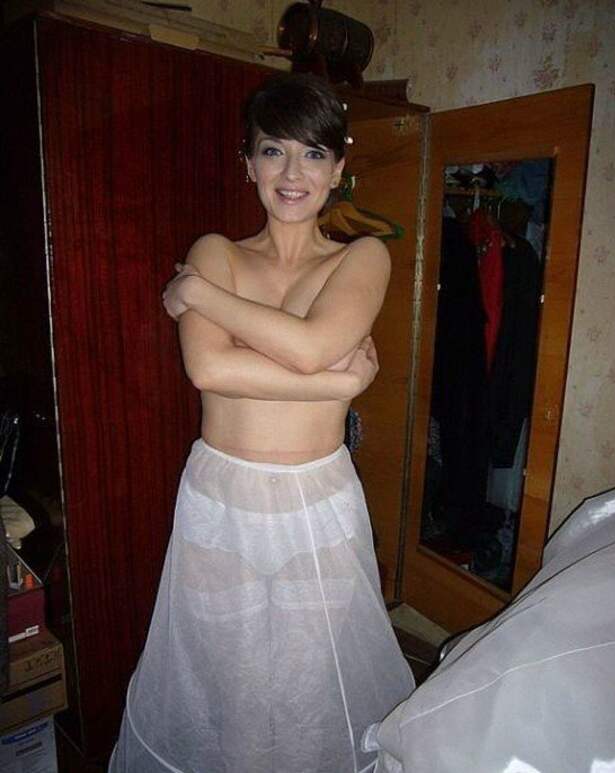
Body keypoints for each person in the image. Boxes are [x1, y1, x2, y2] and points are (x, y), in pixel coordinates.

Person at [109, 73, 414, 773]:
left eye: (313, 154)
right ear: (248, 164)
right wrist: (337, 382)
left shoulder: (363, 256)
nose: (292, 173)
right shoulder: (216, 251)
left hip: (318, 502)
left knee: (310, 693)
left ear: (338, 168)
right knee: (233, 692)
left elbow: (308, 345)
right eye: (273, 151)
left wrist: (197, 294)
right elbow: (209, 369)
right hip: (223, 501)